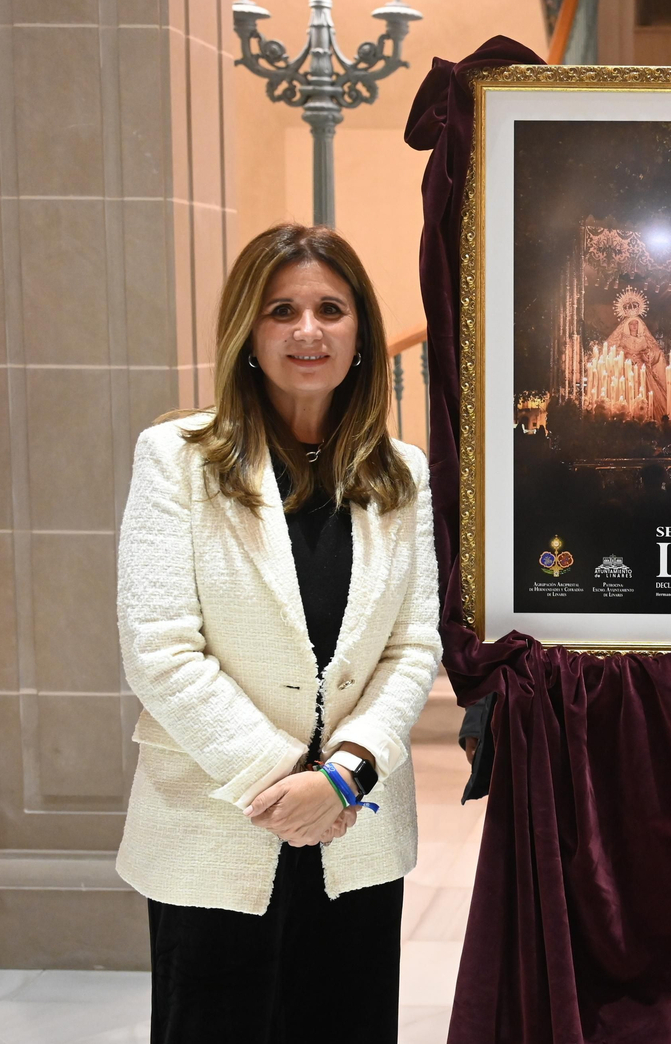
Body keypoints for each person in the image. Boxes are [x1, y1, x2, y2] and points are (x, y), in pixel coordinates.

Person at [116, 223, 442, 1042]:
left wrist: (344, 778)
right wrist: (286, 781)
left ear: (360, 331)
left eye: (330, 308)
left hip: (354, 827)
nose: (307, 330)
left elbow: (413, 647)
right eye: (281, 310)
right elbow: (160, 648)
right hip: (217, 822)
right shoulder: (177, 460)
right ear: (247, 332)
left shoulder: (401, 475)